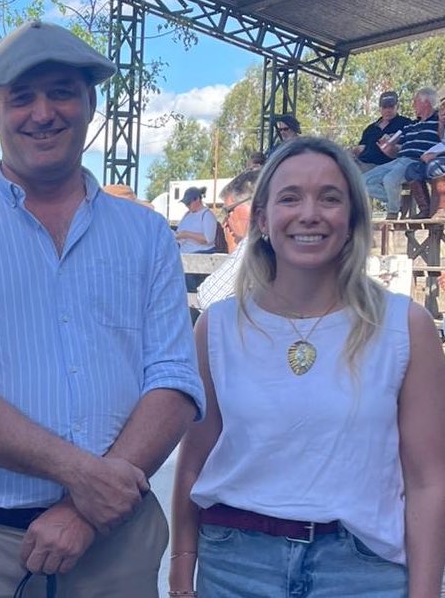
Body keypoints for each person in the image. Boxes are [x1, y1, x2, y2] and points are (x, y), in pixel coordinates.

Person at [0, 20, 204, 598]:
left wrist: (85, 510)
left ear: (91, 104)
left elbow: (172, 379)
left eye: (62, 91)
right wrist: (83, 478)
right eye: (22, 97)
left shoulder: (145, 234)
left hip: (117, 542)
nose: (43, 113)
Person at [170, 136, 445, 598]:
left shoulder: (405, 327)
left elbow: (427, 481)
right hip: (236, 567)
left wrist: (426, 593)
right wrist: (181, 570)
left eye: (330, 198)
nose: (309, 213)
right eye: (290, 197)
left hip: (363, 574)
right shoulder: (217, 329)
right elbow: (192, 462)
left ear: (354, 216)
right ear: (261, 218)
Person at [364, 87, 439, 219]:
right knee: (363, 181)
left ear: (426, 102)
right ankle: (398, 202)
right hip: (399, 160)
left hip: (415, 161)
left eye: (415, 101)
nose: (413, 105)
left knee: (390, 179)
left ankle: (393, 212)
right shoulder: (410, 125)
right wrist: (388, 147)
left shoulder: (438, 121)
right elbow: (399, 148)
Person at [195, 169, 259, 312]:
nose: (225, 222)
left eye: (229, 211)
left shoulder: (256, 242)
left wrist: (238, 247)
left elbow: (207, 299)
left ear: (252, 204)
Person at [352, 91, 411, 172]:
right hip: (362, 163)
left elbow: (408, 148)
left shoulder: (406, 123)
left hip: (385, 166)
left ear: (397, 107)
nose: (388, 110)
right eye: (384, 107)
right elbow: (360, 148)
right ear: (380, 108)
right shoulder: (370, 128)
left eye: (391, 107)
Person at [175, 187, 218, 254]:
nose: (187, 206)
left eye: (188, 203)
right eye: (185, 204)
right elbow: (179, 234)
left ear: (197, 199)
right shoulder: (187, 214)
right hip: (184, 254)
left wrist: (187, 234)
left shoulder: (207, 215)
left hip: (201, 254)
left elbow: (208, 240)